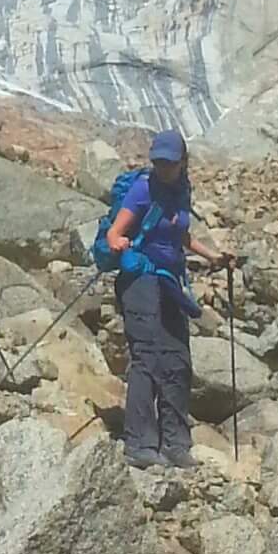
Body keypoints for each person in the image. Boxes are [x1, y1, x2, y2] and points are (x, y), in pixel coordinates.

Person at [102, 129, 234, 468]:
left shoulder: (181, 190)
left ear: (182, 162)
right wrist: (118, 243)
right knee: (147, 356)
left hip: (170, 279)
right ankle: (140, 443)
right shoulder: (143, 189)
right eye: (159, 161)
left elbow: (181, 234)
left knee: (177, 359)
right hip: (140, 277)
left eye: (169, 162)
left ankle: (176, 443)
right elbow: (116, 231)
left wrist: (212, 257)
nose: (163, 168)